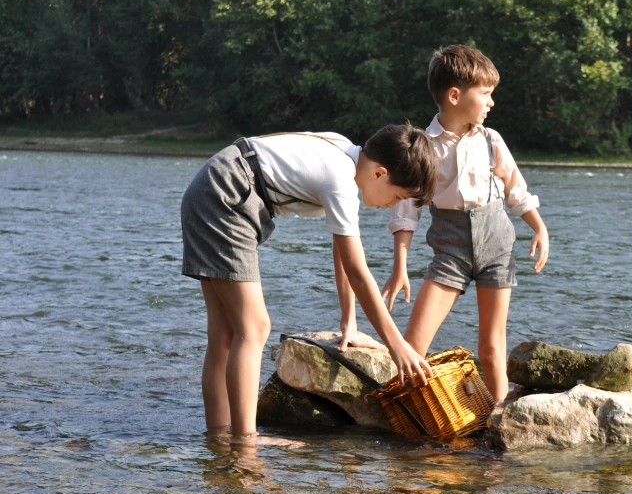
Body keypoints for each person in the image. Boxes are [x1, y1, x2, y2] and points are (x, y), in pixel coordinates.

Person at [181, 124, 439, 439]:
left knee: (224, 333)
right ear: (380, 174)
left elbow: (342, 253)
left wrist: (350, 320)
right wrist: (396, 345)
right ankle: (245, 446)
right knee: (255, 327)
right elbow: (358, 271)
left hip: (215, 185)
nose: (391, 206)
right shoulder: (341, 180)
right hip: (228, 194)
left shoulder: (345, 154)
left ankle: (220, 439)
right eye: (397, 196)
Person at [381, 45, 549, 404]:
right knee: (414, 343)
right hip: (450, 252)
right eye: (485, 94)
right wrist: (400, 268)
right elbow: (407, 212)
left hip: (497, 247)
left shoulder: (492, 140)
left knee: (491, 347)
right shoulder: (424, 147)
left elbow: (515, 189)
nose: (491, 103)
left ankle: (500, 421)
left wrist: (539, 227)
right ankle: (410, 414)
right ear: (455, 96)